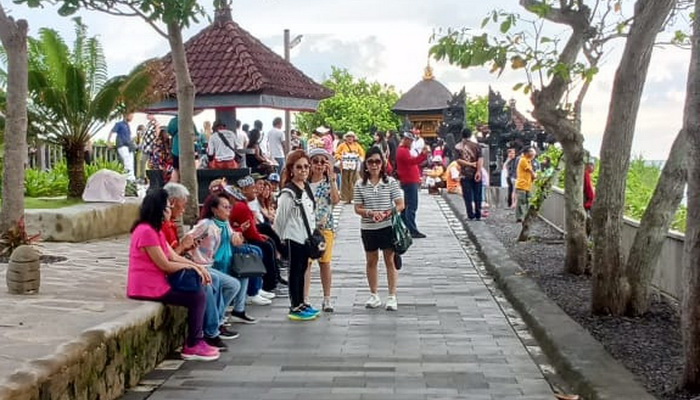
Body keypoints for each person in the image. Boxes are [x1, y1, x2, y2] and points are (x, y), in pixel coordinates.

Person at [126, 189, 218, 361]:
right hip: (148, 287)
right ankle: (193, 344)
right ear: (159, 210)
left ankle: (199, 338)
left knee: (199, 289)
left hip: (158, 284)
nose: (170, 210)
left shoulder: (156, 230)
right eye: (167, 207)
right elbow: (165, 264)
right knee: (196, 297)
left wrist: (198, 267)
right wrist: (195, 269)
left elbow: (173, 255)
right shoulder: (145, 231)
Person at [188, 194, 257, 350]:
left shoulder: (225, 224)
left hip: (217, 262)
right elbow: (188, 238)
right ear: (214, 209)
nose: (228, 210)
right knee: (226, 284)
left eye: (229, 207)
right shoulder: (206, 224)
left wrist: (238, 236)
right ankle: (213, 328)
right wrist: (192, 250)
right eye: (224, 207)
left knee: (234, 282)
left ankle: (219, 320)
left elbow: (234, 238)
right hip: (205, 265)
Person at [353, 147, 405, 311]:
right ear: (366, 164)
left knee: (389, 260)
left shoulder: (390, 182)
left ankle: (392, 295)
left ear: (382, 164)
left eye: (377, 161)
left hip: (387, 226)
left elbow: (400, 204)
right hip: (368, 227)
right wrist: (369, 212)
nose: (374, 165)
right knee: (371, 261)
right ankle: (374, 294)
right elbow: (357, 208)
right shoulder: (360, 184)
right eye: (371, 162)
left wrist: (387, 213)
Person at [274, 150, 322, 321]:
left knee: (302, 270)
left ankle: (301, 302)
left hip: (305, 236)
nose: (304, 170)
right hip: (293, 237)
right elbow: (280, 219)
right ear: (291, 169)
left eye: (306, 167)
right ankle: (295, 305)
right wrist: (277, 243)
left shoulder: (306, 187)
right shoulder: (288, 193)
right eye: (299, 167)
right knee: (294, 271)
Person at [304, 148, 340, 312]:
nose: (319, 165)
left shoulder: (328, 183)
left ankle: (327, 298)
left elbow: (335, 200)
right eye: (315, 161)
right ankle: (304, 298)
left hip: (324, 227)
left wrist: (332, 179)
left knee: (325, 262)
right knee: (306, 264)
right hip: (305, 228)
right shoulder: (303, 183)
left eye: (322, 162)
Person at [395, 132, 429, 238]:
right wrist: (423, 155)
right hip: (409, 181)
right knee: (411, 206)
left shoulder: (404, 150)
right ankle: (412, 229)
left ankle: (405, 226)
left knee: (407, 206)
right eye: (410, 141)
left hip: (409, 180)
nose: (411, 143)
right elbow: (412, 162)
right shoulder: (403, 151)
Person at [455, 128, 484, 221]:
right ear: (471, 135)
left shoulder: (458, 147)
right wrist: (479, 171)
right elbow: (480, 159)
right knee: (477, 194)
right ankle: (478, 214)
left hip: (465, 173)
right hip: (476, 172)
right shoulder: (476, 146)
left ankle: (470, 214)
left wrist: (468, 164)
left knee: (467, 195)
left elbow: (458, 160)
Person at [335, 131, 365, 203]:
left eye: (351, 137)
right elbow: (337, 154)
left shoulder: (357, 145)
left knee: (354, 181)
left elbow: (362, 154)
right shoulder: (342, 145)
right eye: (348, 137)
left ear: (353, 138)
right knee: (345, 182)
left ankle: (354, 197)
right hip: (345, 166)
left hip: (354, 166)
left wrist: (358, 158)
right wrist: (341, 157)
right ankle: (345, 198)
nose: (350, 138)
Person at [108, 113, 136, 181]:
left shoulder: (128, 125)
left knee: (131, 162)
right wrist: (108, 141)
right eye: (131, 116)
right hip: (122, 145)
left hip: (129, 146)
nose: (132, 118)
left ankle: (131, 178)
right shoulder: (119, 124)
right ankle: (127, 178)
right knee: (127, 161)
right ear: (126, 115)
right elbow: (112, 131)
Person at [515, 146, 538, 222]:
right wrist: (534, 175)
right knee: (521, 201)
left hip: (528, 185)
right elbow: (530, 171)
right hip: (522, 185)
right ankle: (519, 217)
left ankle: (527, 216)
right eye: (532, 151)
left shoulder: (528, 161)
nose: (533, 153)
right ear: (527, 153)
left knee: (529, 201)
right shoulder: (523, 160)